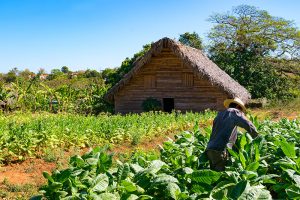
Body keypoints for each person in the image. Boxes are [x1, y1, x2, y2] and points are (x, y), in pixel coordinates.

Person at [206, 97, 258, 171]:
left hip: (210, 149)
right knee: (221, 176)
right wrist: (257, 136)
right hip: (221, 150)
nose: (241, 113)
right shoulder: (234, 112)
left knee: (213, 175)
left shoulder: (219, 114)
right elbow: (248, 124)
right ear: (237, 107)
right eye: (241, 111)